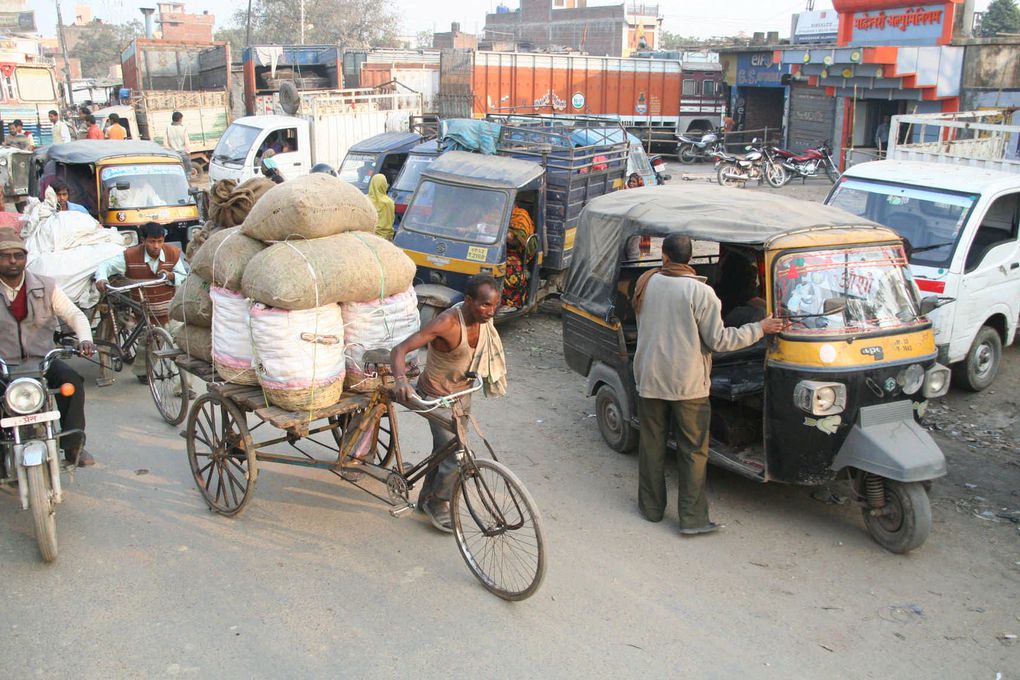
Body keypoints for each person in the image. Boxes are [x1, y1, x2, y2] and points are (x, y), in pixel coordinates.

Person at [631, 233, 784, 536]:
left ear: (664, 257)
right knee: (692, 451)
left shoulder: (645, 284)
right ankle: (692, 518)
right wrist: (760, 328)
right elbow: (720, 341)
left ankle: (651, 509)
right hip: (688, 385)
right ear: (689, 259)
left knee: (651, 446)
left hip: (649, 378)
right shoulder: (701, 293)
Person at [390, 274, 506, 532]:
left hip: (462, 395)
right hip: (436, 398)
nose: (491, 311)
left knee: (443, 450)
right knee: (456, 455)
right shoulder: (447, 323)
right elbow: (399, 350)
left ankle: (425, 499)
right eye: (485, 305)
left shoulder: (484, 319)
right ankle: (439, 503)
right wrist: (400, 381)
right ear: (468, 300)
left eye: (494, 305)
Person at [0, 228, 96, 466]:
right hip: (4, 365)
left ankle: (73, 446)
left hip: (43, 361)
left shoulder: (46, 286)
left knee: (71, 383)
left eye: (18, 255)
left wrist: (85, 339)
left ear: (25, 258)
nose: (13, 261)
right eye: (5, 255)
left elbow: (74, 314)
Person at [95, 222, 187, 383]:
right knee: (148, 342)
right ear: (143, 240)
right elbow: (105, 266)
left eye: (160, 241)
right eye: (152, 241)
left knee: (184, 343)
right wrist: (101, 278)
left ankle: (186, 387)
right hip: (144, 309)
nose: (156, 246)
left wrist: (172, 276)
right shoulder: (129, 256)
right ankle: (142, 372)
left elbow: (183, 276)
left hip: (170, 309)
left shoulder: (173, 253)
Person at [502, 204, 536, 310]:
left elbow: (519, 240)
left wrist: (509, 236)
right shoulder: (495, 212)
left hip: (514, 251)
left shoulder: (521, 216)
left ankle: (511, 303)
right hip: (493, 248)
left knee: (510, 270)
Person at [368, 173, 395, 240]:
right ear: (384, 185)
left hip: (369, 236)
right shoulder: (389, 202)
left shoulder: (366, 200)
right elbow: (391, 221)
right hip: (385, 238)